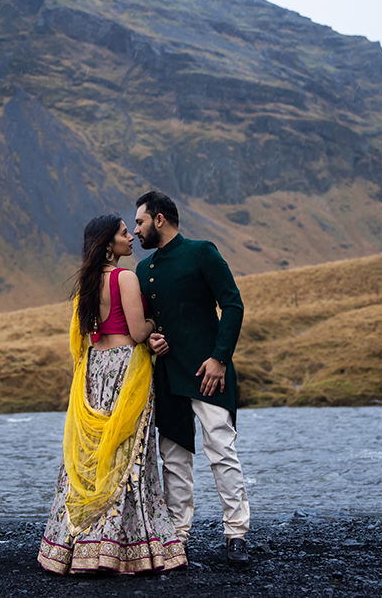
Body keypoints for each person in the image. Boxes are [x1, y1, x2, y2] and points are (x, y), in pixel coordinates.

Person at [38, 214, 187, 574]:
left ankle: (73, 545)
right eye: (124, 233)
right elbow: (137, 332)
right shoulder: (125, 278)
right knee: (127, 451)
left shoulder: (87, 284)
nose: (130, 237)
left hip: (94, 369)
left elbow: (87, 333)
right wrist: (155, 325)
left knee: (93, 453)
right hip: (124, 369)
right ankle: (125, 546)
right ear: (108, 244)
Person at [132, 190, 251, 566]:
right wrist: (151, 339)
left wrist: (219, 359)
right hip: (167, 374)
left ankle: (236, 534)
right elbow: (149, 323)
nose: (136, 230)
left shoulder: (202, 252)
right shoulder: (142, 270)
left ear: (160, 219)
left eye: (140, 222)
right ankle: (177, 537)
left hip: (208, 373)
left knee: (221, 450)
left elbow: (232, 304)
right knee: (174, 457)